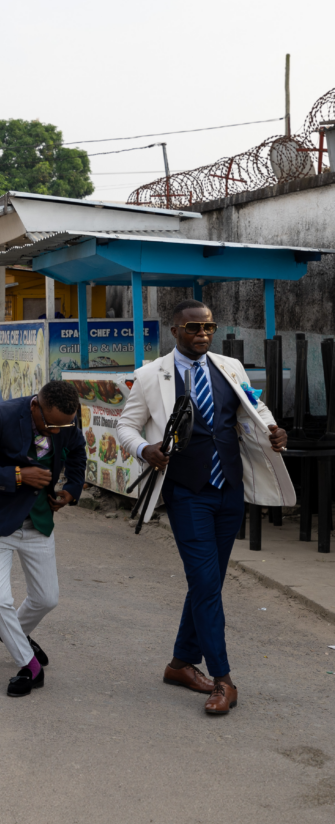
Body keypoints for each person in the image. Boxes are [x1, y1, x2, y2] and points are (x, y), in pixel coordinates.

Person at [117, 300, 293, 716]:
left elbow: (254, 405)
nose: (203, 334)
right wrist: (145, 448)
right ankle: (223, 680)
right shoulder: (149, 376)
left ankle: (180, 663)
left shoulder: (229, 366)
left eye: (209, 327)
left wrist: (273, 428)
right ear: (175, 330)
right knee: (206, 583)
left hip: (229, 489)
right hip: (186, 492)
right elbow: (125, 425)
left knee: (206, 583)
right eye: (194, 328)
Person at [0, 381, 85, 697]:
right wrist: (16, 476)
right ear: (34, 406)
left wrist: (71, 490)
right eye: (49, 424)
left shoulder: (65, 419)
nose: (56, 431)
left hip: (38, 522)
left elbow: (77, 451)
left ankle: (14, 633)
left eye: (63, 425)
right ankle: (30, 667)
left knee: (47, 598)